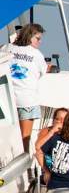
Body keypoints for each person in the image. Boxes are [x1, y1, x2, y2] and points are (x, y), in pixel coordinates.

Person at [1, 23, 49, 153]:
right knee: (25, 137)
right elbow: (43, 71)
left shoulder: (6, 48)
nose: (39, 42)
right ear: (29, 36)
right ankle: (25, 168)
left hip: (7, 100)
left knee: (6, 136)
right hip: (27, 100)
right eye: (38, 39)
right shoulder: (36, 54)